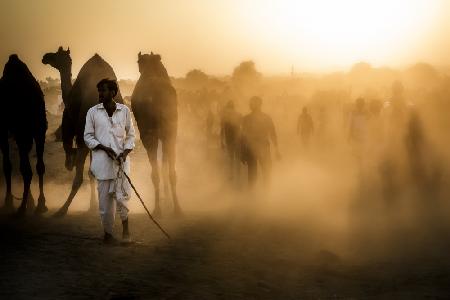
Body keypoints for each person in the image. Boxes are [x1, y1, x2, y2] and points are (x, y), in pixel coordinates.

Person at [84, 78, 136, 244]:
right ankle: (108, 234)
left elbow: (132, 135)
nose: (100, 93)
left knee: (122, 198)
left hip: (121, 163)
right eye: (99, 90)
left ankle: (126, 231)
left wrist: (125, 153)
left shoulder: (125, 111)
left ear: (113, 93)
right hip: (102, 164)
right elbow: (88, 137)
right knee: (105, 205)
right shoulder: (92, 112)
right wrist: (104, 148)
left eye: (104, 90)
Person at [241, 96, 280, 187]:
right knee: (264, 172)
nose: (250, 105)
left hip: (254, 148)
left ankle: (256, 194)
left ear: (257, 105)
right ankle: (264, 194)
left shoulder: (247, 119)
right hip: (259, 148)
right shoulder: (266, 117)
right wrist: (276, 149)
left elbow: (242, 137)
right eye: (250, 103)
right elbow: (273, 134)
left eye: (251, 103)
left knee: (254, 173)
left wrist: (242, 153)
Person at [220, 100, 242, 180]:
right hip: (237, 139)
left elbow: (222, 130)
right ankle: (237, 174)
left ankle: (231, 175)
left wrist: (221, 142)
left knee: (231, 158)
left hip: (229, 139)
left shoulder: (224, 116)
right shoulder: (239, 114)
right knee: (237, 158)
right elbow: (242, 128)